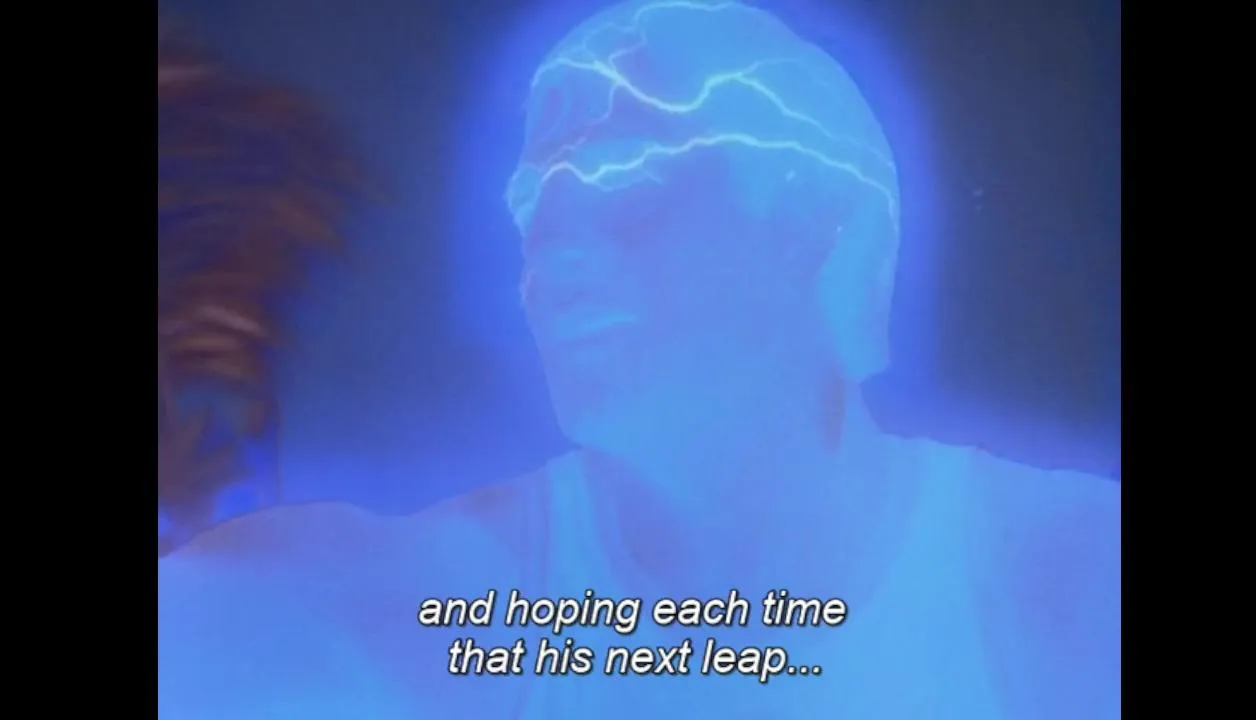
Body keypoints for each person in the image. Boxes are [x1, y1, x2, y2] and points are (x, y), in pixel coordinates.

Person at [158, 2, 1120, 718]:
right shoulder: (450, 600)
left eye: (621, 176)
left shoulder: (1059, 579)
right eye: (535, 207)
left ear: (820, 222)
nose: (548, 251)